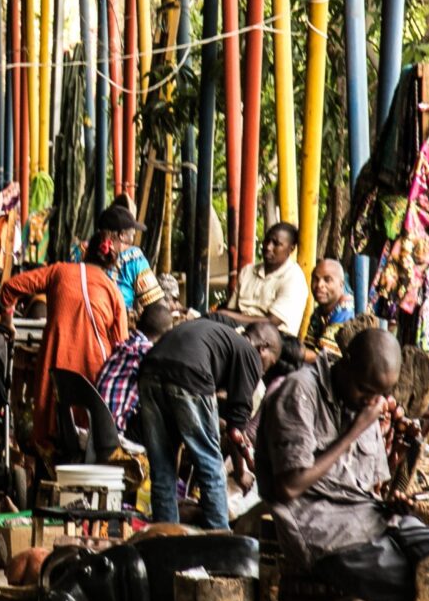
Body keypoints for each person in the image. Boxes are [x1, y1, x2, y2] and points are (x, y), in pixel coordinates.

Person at [255, 328, 429, 601]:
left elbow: (366, 486)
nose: (373, 400)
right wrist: (354, 431)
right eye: (365, 389)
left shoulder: (364, 400)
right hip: (325, 533)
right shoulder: (300, 392)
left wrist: (395, 498)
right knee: (427, 587)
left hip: (372, 518)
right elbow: (289, 487)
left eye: (382, 393)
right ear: (344, 364)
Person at [136, 318, 282, 529]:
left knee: (162, 467)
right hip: (189, 374)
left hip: (149, 371)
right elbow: (236, 429)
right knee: (211, 467)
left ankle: (165, 537)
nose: (264, 371)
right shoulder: (250, 353)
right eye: (270, 363)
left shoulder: (223, 337)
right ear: (263, 348)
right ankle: (219, 538)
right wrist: (246, 468)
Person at [0, 229, 128, 452]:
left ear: (85, 250)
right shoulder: (113, 292)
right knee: (90, 433)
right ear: (111, 262)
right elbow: (121, 344)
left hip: (55, 363)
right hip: (94, 369)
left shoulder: (58, 271)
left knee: (51, 430)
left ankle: (45, 472)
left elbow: (10, 287)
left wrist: (6, 320)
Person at [95, 302, 174, 434]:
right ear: (166, 334)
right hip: (119, 432)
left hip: (97, 428)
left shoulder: (125, 346)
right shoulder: (149, 354)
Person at [219, 223, 309, 337]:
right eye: (267, 241)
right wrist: (223, 315)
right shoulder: (248, 271)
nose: (268, 247)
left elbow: (272, 321)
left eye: (276, 244)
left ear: (291, 249)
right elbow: (232, 309)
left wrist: (224, 316)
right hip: (239, 329)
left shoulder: (294, 278)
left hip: (273, 338)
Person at [97, 202, 165, 313]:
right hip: (117, 323)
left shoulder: (79, 251)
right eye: (132, 234)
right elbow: (155, 304)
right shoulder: (134, 257)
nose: (134, 236)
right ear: (122, 235)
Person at [303, 258, 355, 361]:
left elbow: (325, 359)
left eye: (327, 280)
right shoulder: (319, 311)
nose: (319, 285)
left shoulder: (345, 311)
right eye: (316, 279)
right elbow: (309, 346)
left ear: (341, 284)